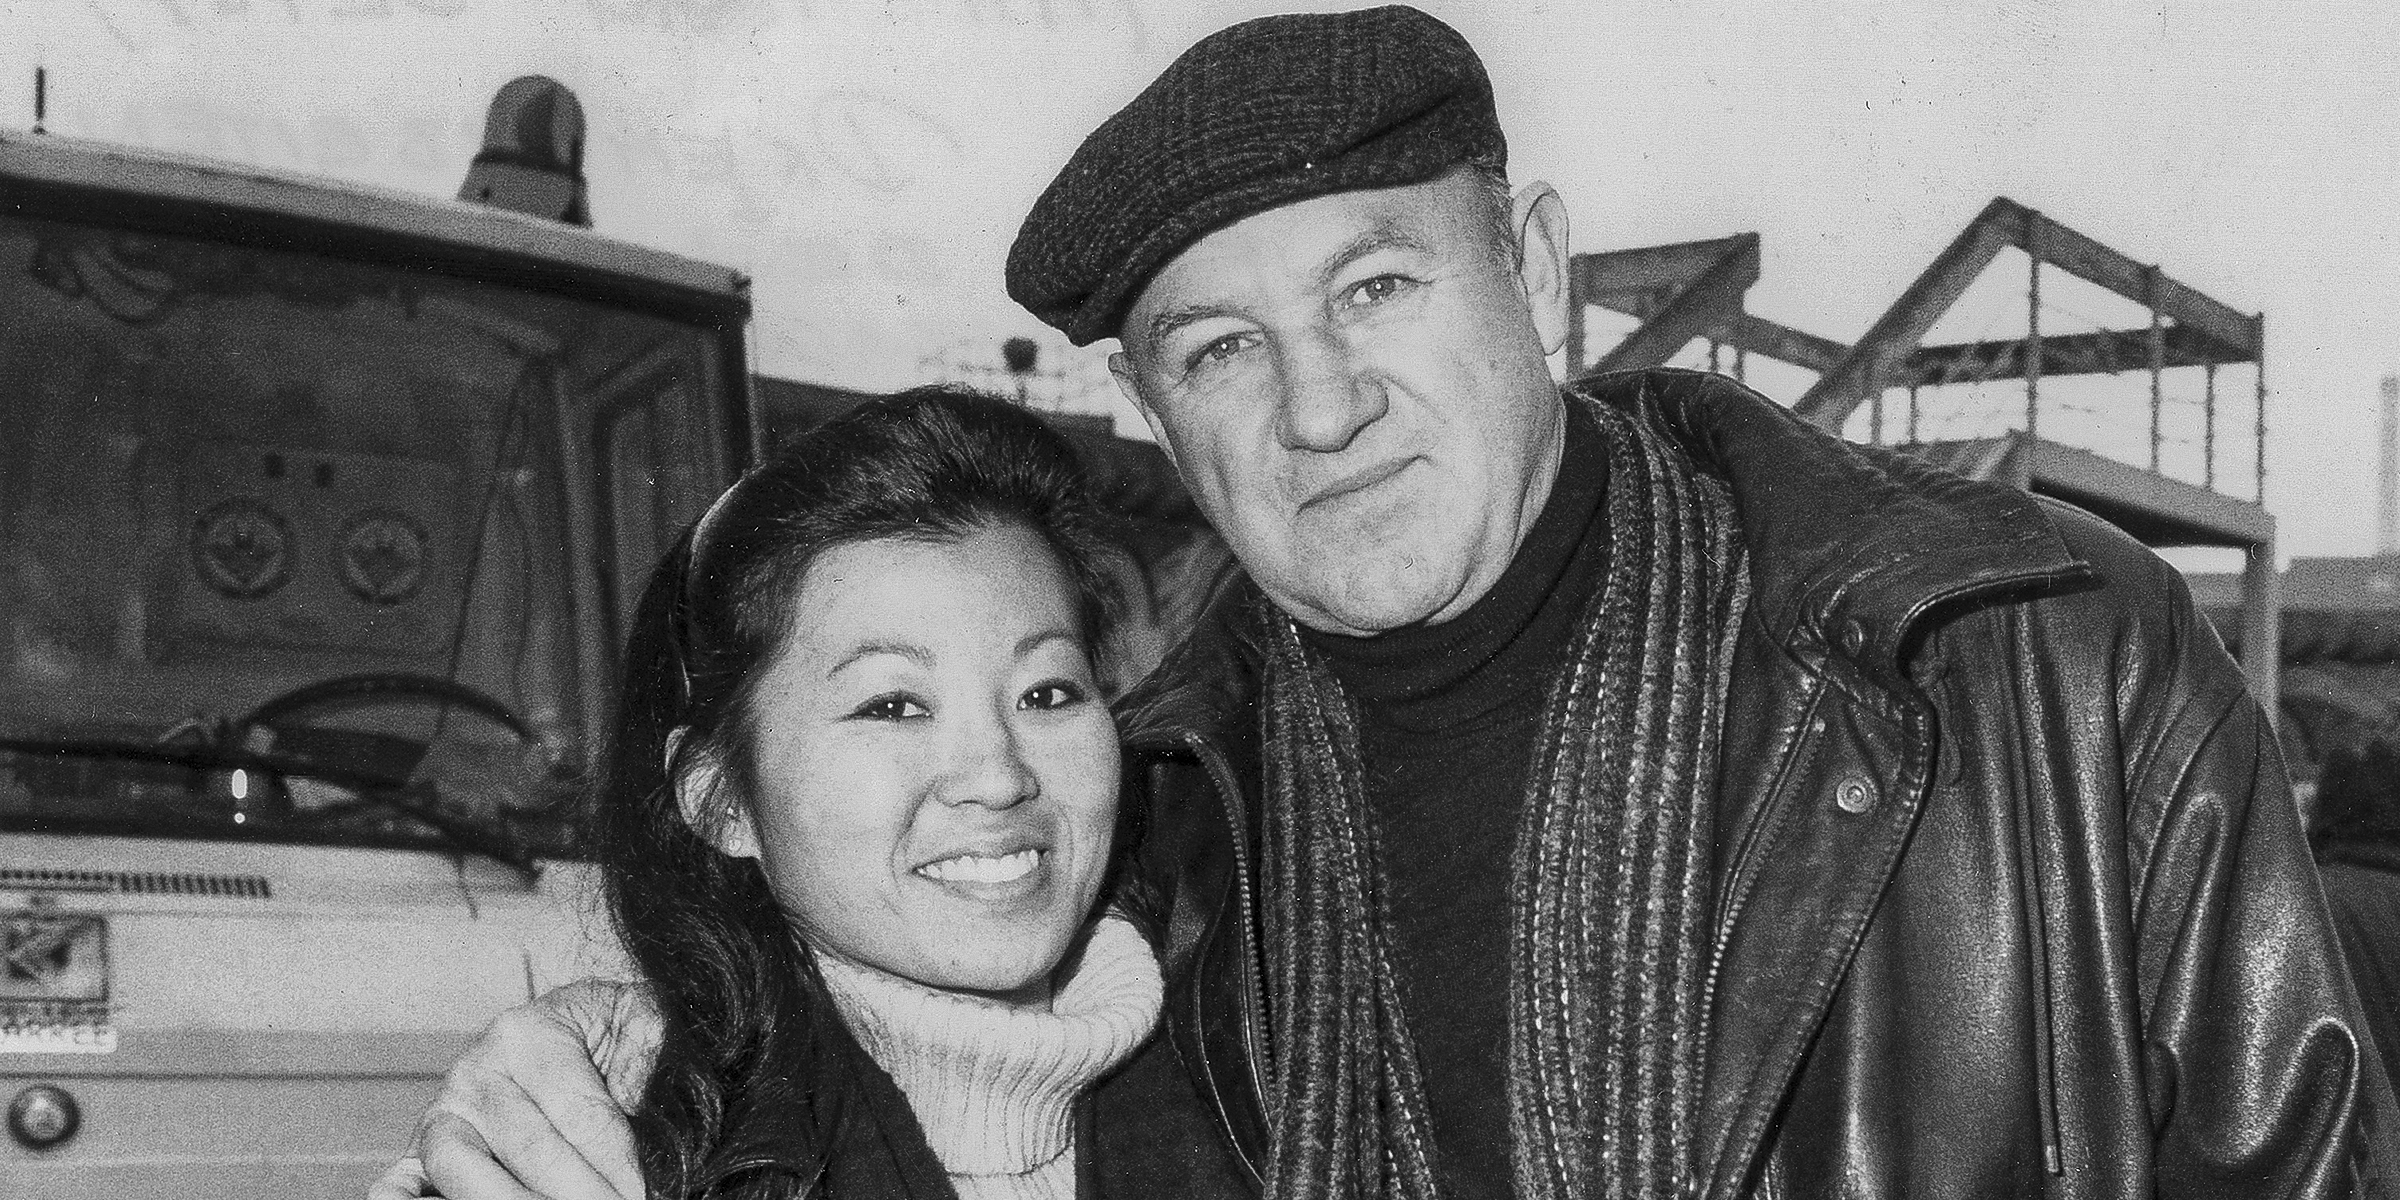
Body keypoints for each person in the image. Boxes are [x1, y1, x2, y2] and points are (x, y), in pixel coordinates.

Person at [379, 7, 2399, 1199]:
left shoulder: (2021, 662)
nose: (1321, 405)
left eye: (1375, 286)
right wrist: (611, 1052)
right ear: (1157, 409)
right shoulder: (1172, 800)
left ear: (1537, 272)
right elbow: (873, 989)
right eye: (1221, 350)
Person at [377, 388, 1242, 1200]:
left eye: (1047, 693)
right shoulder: (600, 1156)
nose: (999, 776)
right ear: (720, 799)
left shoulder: (1268, 1049)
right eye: (893, 705)